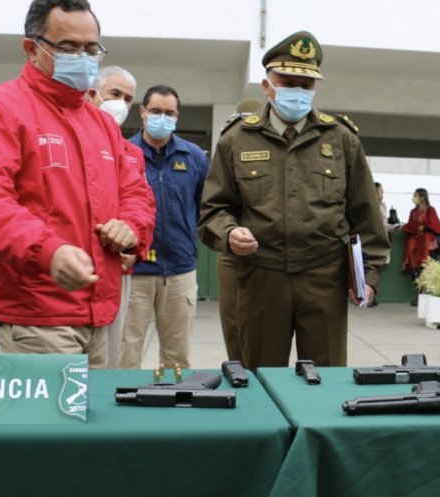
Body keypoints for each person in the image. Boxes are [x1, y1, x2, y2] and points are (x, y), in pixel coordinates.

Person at [0, 0, 155, 369]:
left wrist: (132, 227)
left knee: (94, 423)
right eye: (68, 48)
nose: (83, 57)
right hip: (37, 313)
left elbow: (136, 193)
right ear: (33, 49)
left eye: (91, 49)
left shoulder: (102, 125)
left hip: (101, 311)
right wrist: (48, 251)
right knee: (56, 425)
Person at [198, 30, 390, 369]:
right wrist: (229, 233)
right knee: (260, 375)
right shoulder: (236, 140)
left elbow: (365, 211)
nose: (298, 92)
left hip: (324, 277)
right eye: (288, 82)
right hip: (261, 275)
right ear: (267, 85)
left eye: (307, 85)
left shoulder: (342, 139)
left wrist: (369, 275)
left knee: (326, 377)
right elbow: (214, 208)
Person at [120, 85, 209, 369]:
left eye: (170, 113)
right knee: (125, 354)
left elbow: (203, 207)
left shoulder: (193, 156)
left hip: (180, 270)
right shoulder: (124, 153)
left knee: (177, 358)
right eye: (156, 111)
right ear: (143, 113)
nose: (163, 118)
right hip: (135, 271)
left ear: (177, 116)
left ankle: (174, 408)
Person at [85, 65, 145, 368]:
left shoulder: (130, 152)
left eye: (128, 98)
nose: (121, 104)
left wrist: (134, 243)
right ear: (93, 93)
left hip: (113, 269)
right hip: (72, 263)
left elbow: (140, 203)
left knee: (108, 360)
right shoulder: (74, 137)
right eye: (115, 94)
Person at [217, 98, 263, 362]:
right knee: (235, 327)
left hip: (268, 252)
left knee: (267, 332)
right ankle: (241, 378)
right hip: (233, 251)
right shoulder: (227, 147)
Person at [402, 188, 440, 305]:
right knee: (412, 268)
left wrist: (424, 227)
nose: (414, 197)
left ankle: (423, 296)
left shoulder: (431, 210)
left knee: (425, 268)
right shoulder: (413, 212)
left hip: (427, 243)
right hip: (414, 243)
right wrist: (415, 228)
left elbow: (436, 225)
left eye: (416, 195)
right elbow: (410, 225)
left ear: (422, 197)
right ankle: (419, 293)